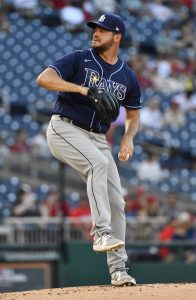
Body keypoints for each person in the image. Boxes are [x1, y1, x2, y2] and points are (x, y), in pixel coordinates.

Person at [36, 13, 141, 286]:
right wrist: (82, 90)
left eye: (103, 30)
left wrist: (128, 137)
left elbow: (133, 114)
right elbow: (44, 79)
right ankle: (101, 232)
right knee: (97, 164)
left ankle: (119, 270)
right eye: (95, 28)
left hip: (97, 138)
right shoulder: (79, 58)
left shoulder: (127, 75)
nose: (96, 33)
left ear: (117, 37)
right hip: (64, 128)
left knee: (117, 202)